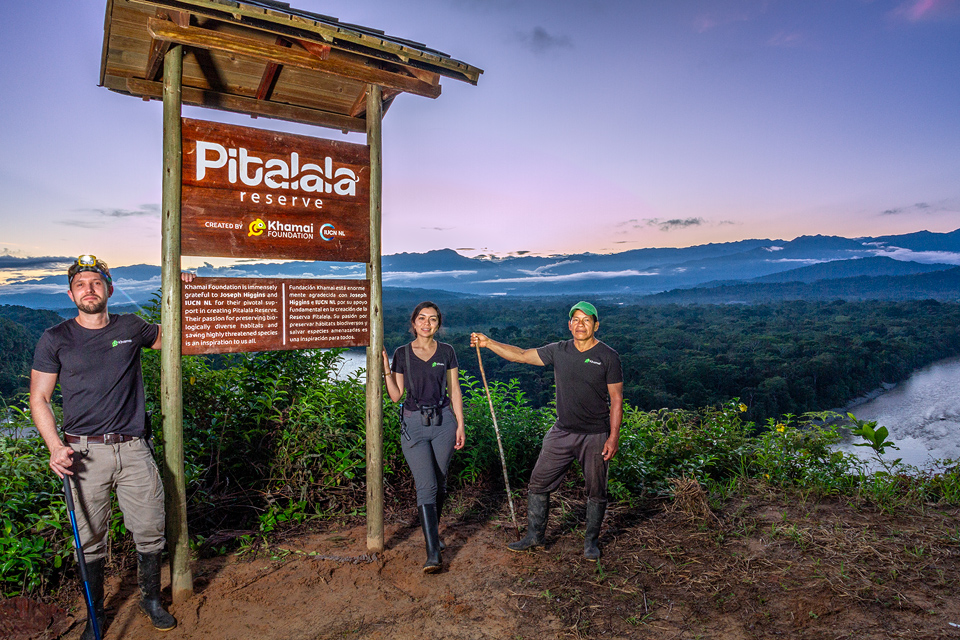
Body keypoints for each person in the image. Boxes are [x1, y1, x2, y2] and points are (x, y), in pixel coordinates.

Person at [30, 255, 192, 638]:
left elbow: (177, 340)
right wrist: (55, 447)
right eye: (81, 284)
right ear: (71, 295)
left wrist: (187, 293)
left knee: (151, 529)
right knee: (89, 540)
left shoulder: (131, 327)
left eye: (96, 282)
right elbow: (40, 398)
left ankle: (151, 599)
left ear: (109, 289)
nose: (90, 289)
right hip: (81, 454)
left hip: (134, 448)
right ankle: (96, 613)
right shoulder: (55, 338)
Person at [470, 301, 623, 561]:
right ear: (569, 325)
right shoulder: (558, 350)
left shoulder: (608, 356)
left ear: (596, 325)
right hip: (562, 431)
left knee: (596, 490)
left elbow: (616, 399)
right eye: (576, 319)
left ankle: (591, 543)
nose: (580, 324)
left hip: (595, 434)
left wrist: (613, 436)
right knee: (538, 483)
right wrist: (488, 343)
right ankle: (535, 537)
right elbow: (520, 354)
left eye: (586, 320)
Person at [383, 301, 466, 573]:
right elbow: (396, 395)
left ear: (438, 324)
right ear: (413, 323)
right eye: (421, 318)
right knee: (427, 485)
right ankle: (433, 553)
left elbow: (454, 390)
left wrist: (460, 425)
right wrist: (386, 368)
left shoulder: (447, 352)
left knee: (440, 484)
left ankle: (435, 537)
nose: (426, 323)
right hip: (414, 424)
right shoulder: (402, 353)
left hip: (444, 422)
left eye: (432, 319)